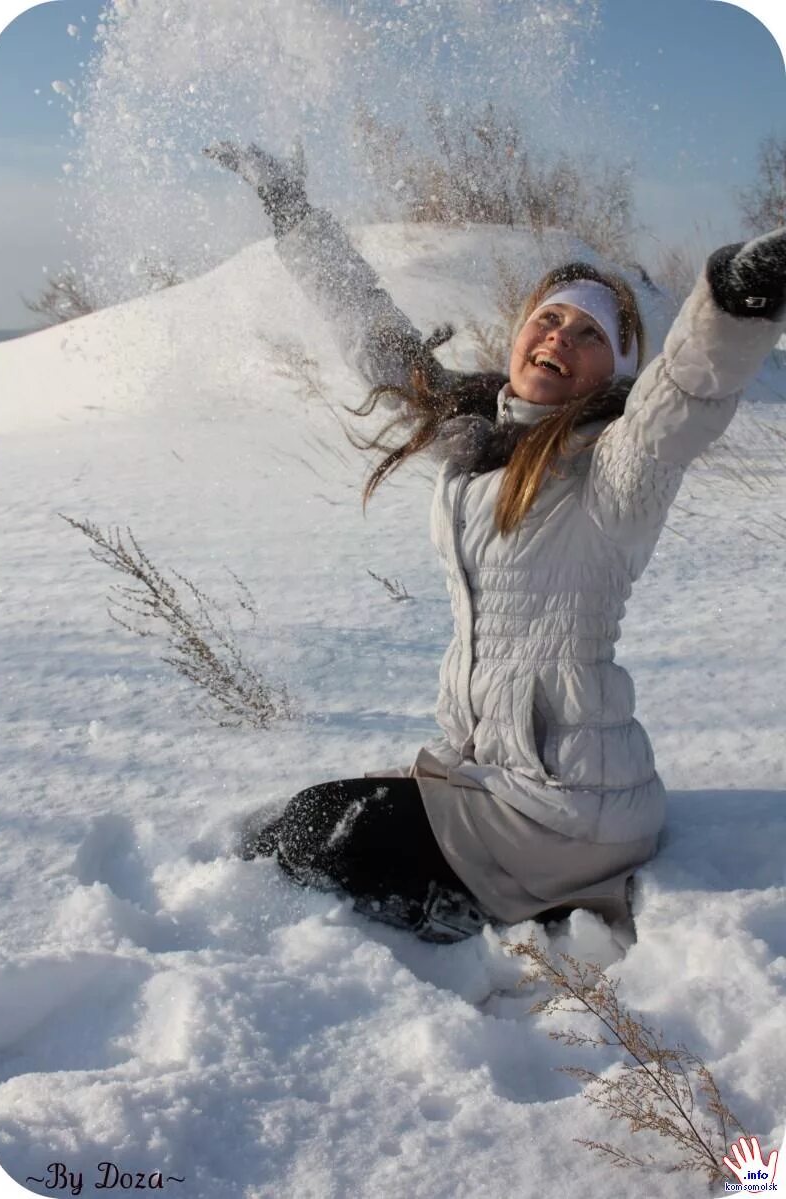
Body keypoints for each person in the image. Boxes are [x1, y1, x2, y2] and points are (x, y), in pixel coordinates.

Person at [205, 140, 786, 942]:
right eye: (549, 319)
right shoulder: (474, 433)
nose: (560, 337)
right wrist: (293, 213)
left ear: (611, 374)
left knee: (311, 833)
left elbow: (683, 395)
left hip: (565, 809)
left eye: (589, 334)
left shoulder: (612, 470)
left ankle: (464, 929)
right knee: (290, 826)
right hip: (495, 776)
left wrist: (734, 300)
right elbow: (368, 328)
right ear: (518, 336)